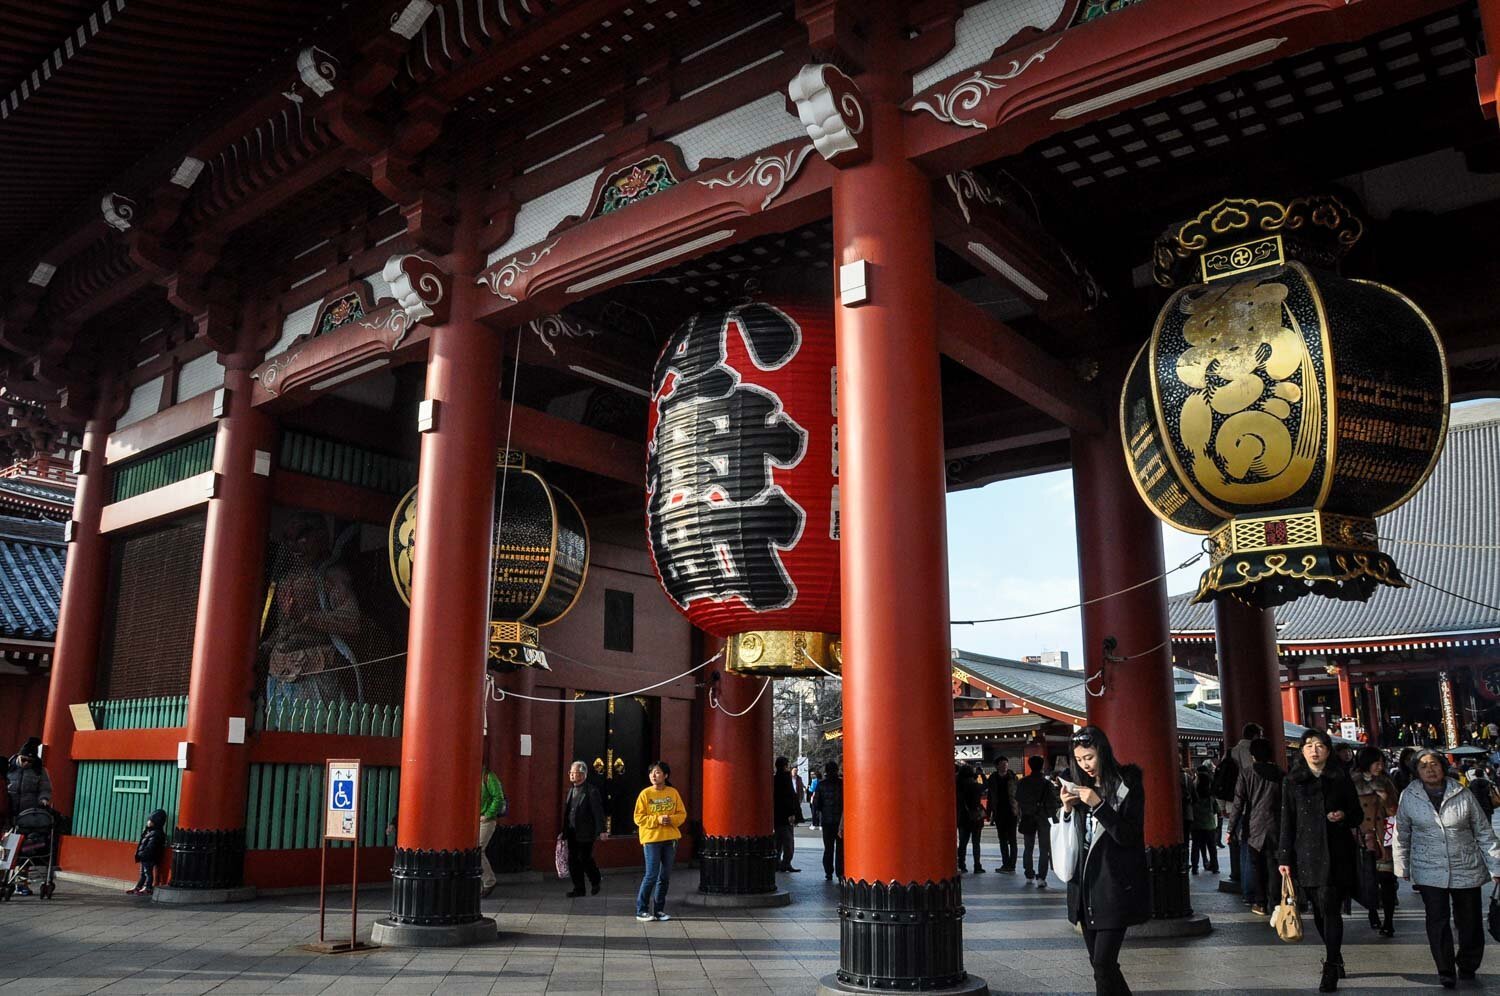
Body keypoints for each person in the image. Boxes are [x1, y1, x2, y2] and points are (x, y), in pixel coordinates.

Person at [1393, 747, 1500, 988]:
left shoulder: (1462, 792)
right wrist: (1402, 866)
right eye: (1423, 766)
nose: (1430, 769)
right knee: (1437, 920)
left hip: (1465, 864)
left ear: (1443, 766)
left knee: (1470, 920)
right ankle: (1445, 969)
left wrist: (1496, 865)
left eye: (1434, 764)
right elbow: (1402, 833)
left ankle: (1468, 963)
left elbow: (1483, 831)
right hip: (1428, 866)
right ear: (1416, 771)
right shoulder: (1409, 796)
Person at [1059, 726, 1149, 996]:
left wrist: (1098, 805)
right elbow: (1072, 842)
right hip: (1084, 888)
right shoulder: (1078, 788)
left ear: (1103, 752)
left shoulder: (1127, 785)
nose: (1084, 765)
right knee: (1099, 965)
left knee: (1103, 962)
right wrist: (1066, 808)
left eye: (1089, 757)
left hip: (1113, 887)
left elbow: (1129, 836)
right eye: (1079, 760)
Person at [1278, 729, 1363, 992]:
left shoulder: (1340, 778)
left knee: (1330, 908)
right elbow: (1286, 821)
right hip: (1307, 853)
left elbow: (1357, 814)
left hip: (1337, 852)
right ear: (1302, 751)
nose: (1314, 750)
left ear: (1328, 750)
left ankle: (1330, 967)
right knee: (1317, 909)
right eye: (1309, 745)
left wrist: (1343, 816)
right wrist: (1284, 856)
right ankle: (1335, 955)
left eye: (1319, 745)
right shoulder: (1292, 781)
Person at [1228, 737, 1283, 915]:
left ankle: (1260, 903)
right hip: (1277, 824)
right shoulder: (1280, 773)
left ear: (1252, 755)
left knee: (1257, 866)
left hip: (1254, 826)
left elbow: (1238, 802)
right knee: (1275, 865)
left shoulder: (1246, 773)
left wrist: (1231, 829)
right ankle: (1276, 902)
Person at [1352, 747, 1399, 936]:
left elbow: (1395, 810)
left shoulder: (1386, 782)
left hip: (1384, 837)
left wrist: (1387, 800)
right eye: (1376, 762)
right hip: (1362, 837)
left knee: (1387, 881)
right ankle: (1372, 912)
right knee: (1368, 880)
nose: (1380, 766)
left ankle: (1389, 920)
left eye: (1382, 762)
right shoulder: (1352, 782)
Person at [632, 761, 686, 921]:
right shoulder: (645, 794)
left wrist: (671, 819)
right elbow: (638, 817)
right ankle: (641, 910)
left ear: (666, 775)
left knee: (665, 876)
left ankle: (659, 910)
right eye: (651, 773)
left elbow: (682, 814)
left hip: (670, 839)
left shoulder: (673, 792)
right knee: (651, 875)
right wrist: (657, 819)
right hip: (652, 839)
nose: (653, 776)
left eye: (657, 772)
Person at [5, 738, 52, 897]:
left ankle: (20, 883)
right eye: (23, 759)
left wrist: (43, 800)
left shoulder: (40, 771)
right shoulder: (7, 768)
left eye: (30, 761)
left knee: (23, 850)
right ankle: (3, 880)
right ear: (18, 756)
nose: (26, 763)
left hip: (28, 816)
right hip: (8, 813)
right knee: (5, 849)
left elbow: (45, 789)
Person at [561, 760, 605, 898]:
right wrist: (564, 831)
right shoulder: (571, 791)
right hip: (572, 831)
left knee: (584, 858)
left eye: (574, 773)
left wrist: (602, 830)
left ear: (583, 774)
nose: (571, 775)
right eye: (571, 772)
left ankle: (595, 879)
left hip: (586, 832)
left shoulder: (591, 791)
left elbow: (598, 812)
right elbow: (568, 812)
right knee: (573, 860)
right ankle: (579, 888)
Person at [1015, 754, 1059, 889]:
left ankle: (1028, 874)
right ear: (1042, 766)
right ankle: (1041, 878)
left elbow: (1018, 798)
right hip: (1044, 818)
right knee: (1043, 849)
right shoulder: (1047, 784)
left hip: (1028, 817)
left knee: (1028, 847)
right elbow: (1053, 802)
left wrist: (1025, 811)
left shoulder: (1022, 782)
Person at [811, 760, 844, 881]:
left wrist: (819, 814)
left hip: (826, 820)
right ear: (836, 770)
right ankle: (840, 872)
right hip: (840, 821)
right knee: (840, 849)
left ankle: (828, 872)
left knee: (828, 848)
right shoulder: (842, 784)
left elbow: (816, 803)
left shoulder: (821, 784)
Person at [478, 763, 506, 898]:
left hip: (486, 821)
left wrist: (488, 814)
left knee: (477, 850)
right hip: (473, 820)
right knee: (473, 851)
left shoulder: (488, 777)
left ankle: (489, 881)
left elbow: (498, 797)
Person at [987, 756, 1019, 873]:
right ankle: (1005, 863)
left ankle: (1012, 864)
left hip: (1012, 811)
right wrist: (989, 811)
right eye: (1002, 764)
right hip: (999, 812)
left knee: (1013, 839)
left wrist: (1019, 810)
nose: (1004, 765)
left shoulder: (1013, 777)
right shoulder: (993, 778)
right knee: (1002, 839)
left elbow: (1018, 795)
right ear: (997, 766)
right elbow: (990, 796)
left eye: (1006, 763)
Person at [129, 809, 167, 896]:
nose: (148, 822)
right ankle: (139, 886)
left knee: (147, 872)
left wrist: (142, 854)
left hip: (149, 857)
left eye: (151, 821)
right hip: (144, 856)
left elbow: (151, 847)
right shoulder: (149, 831)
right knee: (143, 873)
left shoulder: (156, 833)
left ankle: (148, 887)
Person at [956, 764, 985, 874]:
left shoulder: (958, 786)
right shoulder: (975, 786)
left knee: (963, 842)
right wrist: (981, 774)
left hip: (963, 817)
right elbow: (986, 785)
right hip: (975, 817)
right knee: (976, 842)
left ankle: (961, 864)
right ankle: (977, 865)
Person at [1190, 762, 1219, 875]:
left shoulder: (1194, 796)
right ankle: (1215, 867)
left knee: (1196, 847)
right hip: (1209, 825)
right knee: (1212, 847)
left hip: (1196, 825)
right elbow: (1216, 810)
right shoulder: (1210, 797)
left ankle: (1195, 867)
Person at [773, 756, 800, 873]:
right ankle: (786, 863)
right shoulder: (786, 778)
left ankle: (776, 862)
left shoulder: (773, 779)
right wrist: (793, 813)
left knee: (777, 841)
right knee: (788, 842)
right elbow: (790, 796)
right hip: (786, 815)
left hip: (775, 814)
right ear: (785, 766)